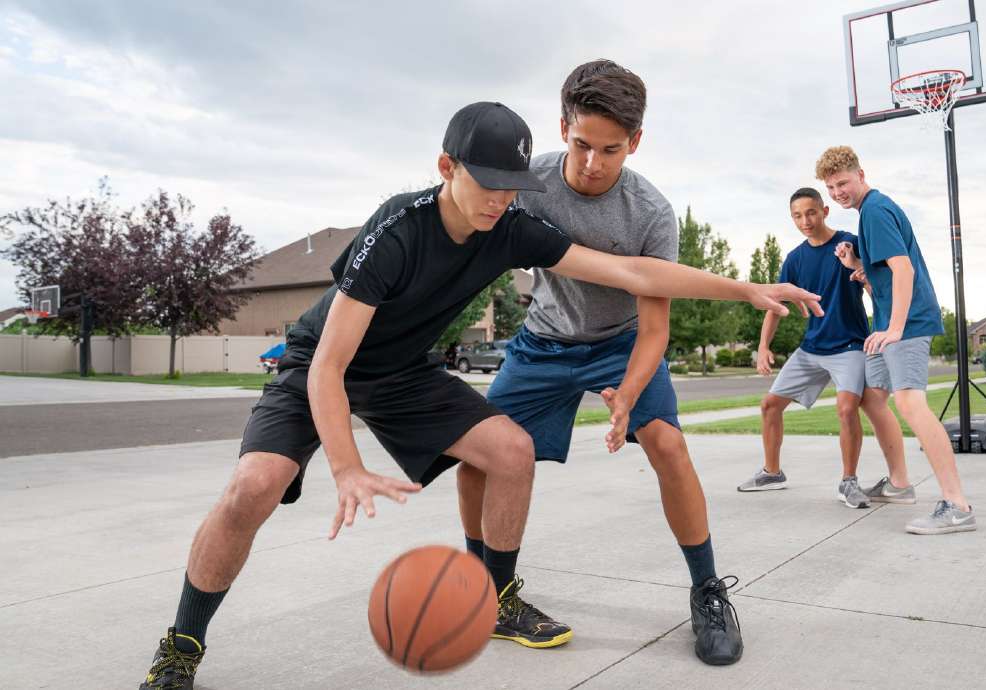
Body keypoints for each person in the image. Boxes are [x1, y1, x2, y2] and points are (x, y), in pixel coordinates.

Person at [139, 101, 820, 689]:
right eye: (486, 183)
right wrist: (345, 466)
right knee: (252, 487)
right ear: (446, 168)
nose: (499, 199)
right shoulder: (396, 231)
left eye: (510, 187)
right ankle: (181, 644)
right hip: (319, 364)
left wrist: (744, 288)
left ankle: (495, 597)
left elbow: (628, 270)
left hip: (405, 372)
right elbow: (329, 367)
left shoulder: (512, 230)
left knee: (509, 449)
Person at [456, 60, 749, 666]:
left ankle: (708, 592)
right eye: (583, 144)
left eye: (610, 150)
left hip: (620, 344)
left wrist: (626, 403)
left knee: (668, 445)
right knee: (478, 453)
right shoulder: (526, 180)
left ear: (635, 142)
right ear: (563, 126)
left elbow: (657, 327)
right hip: (541, 340)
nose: (593, 163)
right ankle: (487, 585)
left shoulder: (650, 213)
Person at [817, 145, 976, 535]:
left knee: (909, 401)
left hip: (907, 323)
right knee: (873, 397)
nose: (837, 192)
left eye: (842, 182)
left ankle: (957, 505)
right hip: (887, 322)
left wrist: (897, 328)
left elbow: (903, 270)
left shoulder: (875, 210)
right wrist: (858, 268)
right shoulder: (868, 214)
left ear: (860, 174)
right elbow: (887, 274)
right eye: (831, 187)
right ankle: (900, 484)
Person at [737, 188, 912, 510]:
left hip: (849, 346)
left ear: (825, 211)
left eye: (811, 212)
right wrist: (763, 346)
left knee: (847, 409)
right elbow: (773, 304)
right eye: (797, 215)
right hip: (812, 347)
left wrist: (858, 271)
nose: (805, 220)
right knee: (769, 406)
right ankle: (772, 472)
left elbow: (880, 289)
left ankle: (849, 482)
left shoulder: (849, 243)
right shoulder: (795, 259)